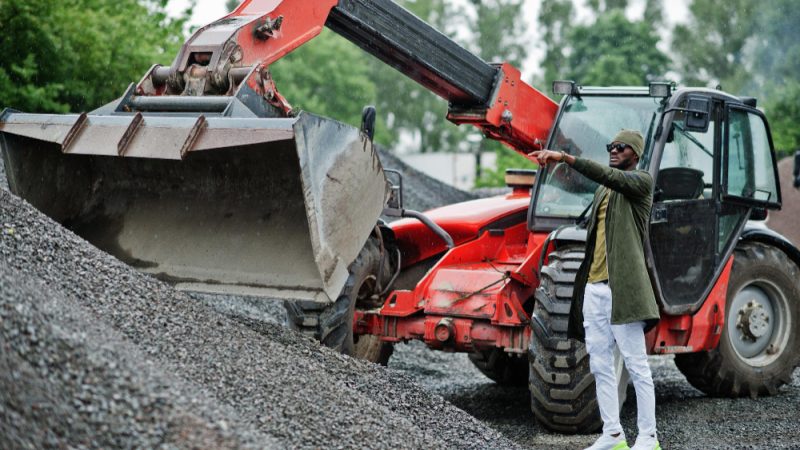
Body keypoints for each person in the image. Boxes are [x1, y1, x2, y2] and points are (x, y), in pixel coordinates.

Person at [530, 130, 661, 450]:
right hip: (595, 289)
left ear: (636, 153)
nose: (613, 151)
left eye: (620, 147)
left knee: (635, 363)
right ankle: (613, 434)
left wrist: (564, 157)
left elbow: (605, 174)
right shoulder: (604, 190)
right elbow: (598, 181)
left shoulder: (641, 183)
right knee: (600, 363)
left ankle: (648, 437)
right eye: (610, 147)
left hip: (623, 289)